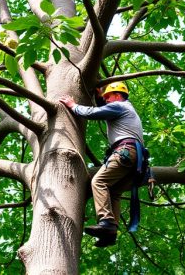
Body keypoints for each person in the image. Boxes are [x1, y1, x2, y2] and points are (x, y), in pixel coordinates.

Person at [59, 81, 144, 247]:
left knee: (98, 182)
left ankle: (106, 222)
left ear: (118, 96)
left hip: (125, 151)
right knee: (113, 191)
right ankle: (111, 233)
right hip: (135, 158)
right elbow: (104, 109)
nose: (106, 100)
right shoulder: (124, 109)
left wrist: (73, 105)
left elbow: (93, 113)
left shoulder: (120, 106)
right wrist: (99, 96)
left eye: (108, 97)